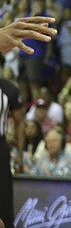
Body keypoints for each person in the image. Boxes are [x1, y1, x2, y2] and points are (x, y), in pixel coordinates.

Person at [0, 73, 26, 228]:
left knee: (3, 199)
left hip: (0, 147)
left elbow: (20, 121)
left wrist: (20, 155)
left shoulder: (8, 88)